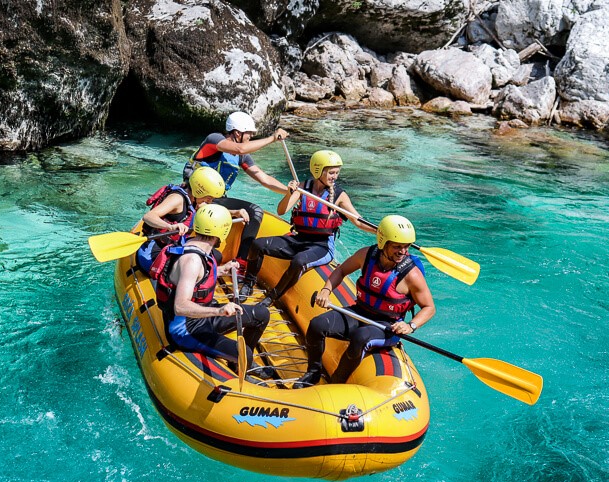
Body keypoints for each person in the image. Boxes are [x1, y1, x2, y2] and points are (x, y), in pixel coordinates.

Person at [294, 215, 436, 388]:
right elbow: (341, 271)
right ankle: (313, 374)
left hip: (387, 326)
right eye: (397, 246)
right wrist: (326, 290)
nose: (402, 252)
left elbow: (429, 307)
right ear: (383, 242)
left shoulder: (412, 275)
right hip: (359, 311)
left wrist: (410, 326)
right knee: (317, 324)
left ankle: (335, 383)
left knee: (360, 337)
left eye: (406, 247)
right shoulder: (366, 255)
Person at [239, 150, 376, 307]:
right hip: (299, 239)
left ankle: (272, 297)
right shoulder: (304, 187)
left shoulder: (339, 195)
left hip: (321, 246)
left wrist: (378, 231)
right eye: (331, 172)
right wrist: (289, 193)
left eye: (337, 172)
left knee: (299, 261)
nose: (335, 177)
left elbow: (358, 221)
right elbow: (281, 211)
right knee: (258, 245)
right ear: (318, 170)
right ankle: (249, 283)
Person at [156, 203, 273, 379]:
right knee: (246, 353)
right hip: (187, 328)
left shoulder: (201, 245)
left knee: (261, 314)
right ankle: (242, 361)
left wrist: (222, 269)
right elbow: (180, 306)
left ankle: (238, 361)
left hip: (203, 315)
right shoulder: (192, 261)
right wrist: (219, 310)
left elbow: (198, 280)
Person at [183, 111, 290, 274]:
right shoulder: (214, 140)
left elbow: (264, 179)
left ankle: (240, 262)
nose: (250, 137)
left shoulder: (241, 157)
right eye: (249, 134)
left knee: (255, 211)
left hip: (216, 201)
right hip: (195, 197)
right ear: (237, 133)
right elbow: (240, 148)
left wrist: (289, 190)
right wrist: (272, 138)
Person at [137, 166, 248, 275]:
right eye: (209, 197)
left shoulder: (194, 198)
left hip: (171, 245)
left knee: (215, 255)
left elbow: (209, 210)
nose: (210, 201)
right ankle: (217, 272)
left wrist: (235, 212)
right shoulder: (177, 199)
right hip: (153, 250)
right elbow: (148, 217)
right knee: (189, 266)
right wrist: (170, 226)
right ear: (199, 191)